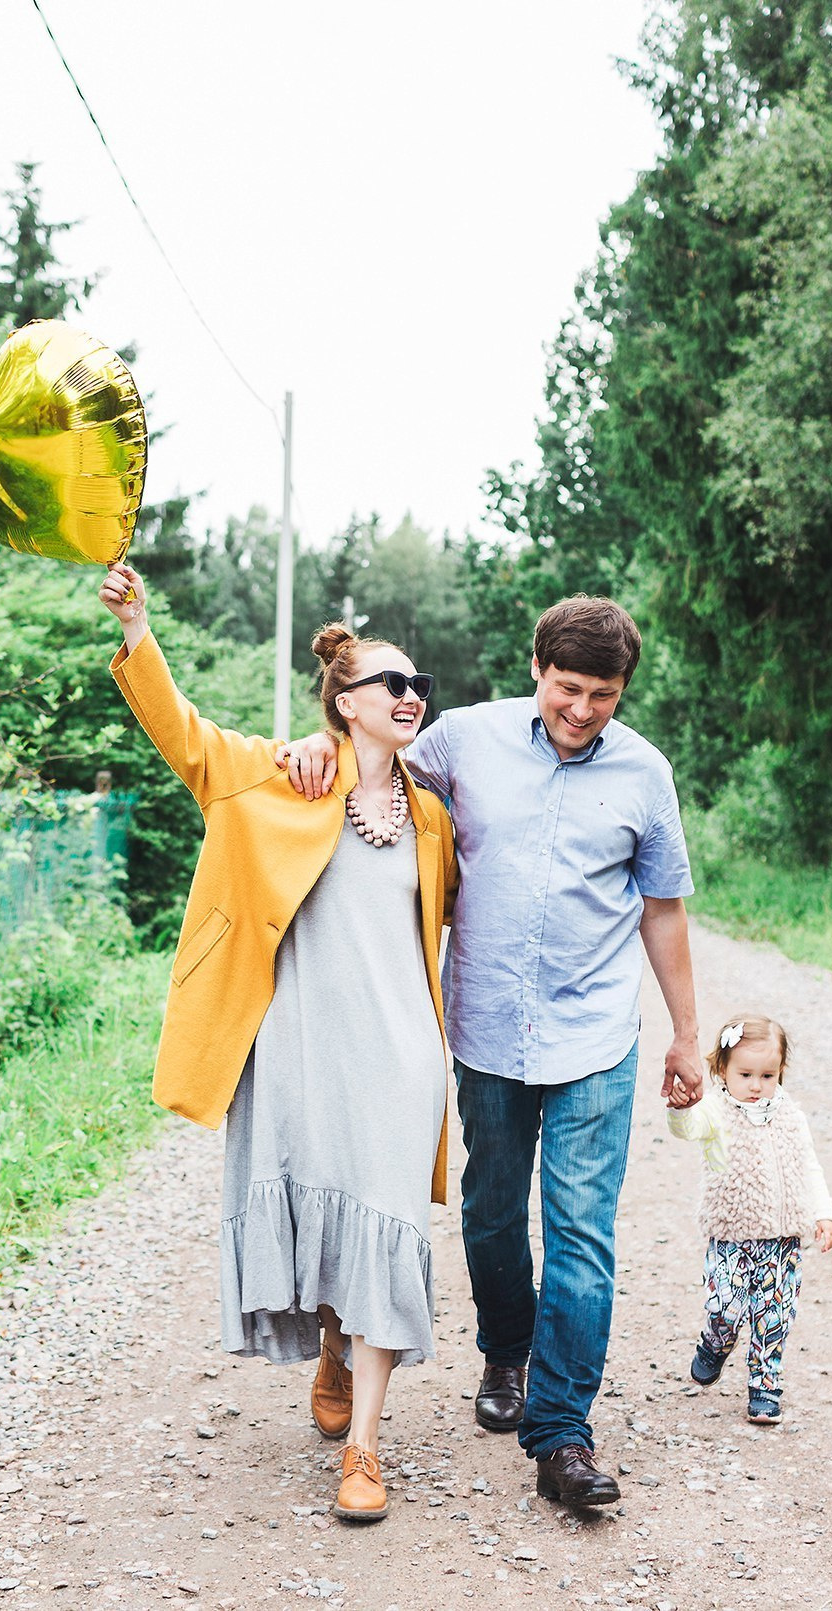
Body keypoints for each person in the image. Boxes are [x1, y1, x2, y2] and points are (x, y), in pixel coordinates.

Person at [279, 596, 702, 1507]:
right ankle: (504, 1351)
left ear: (624, 690)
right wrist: (316, 746)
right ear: (536, 671)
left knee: (582, 1234)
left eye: (604, 694)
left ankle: (561, 1434)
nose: (582, 710)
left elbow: (663, 908)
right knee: (493, 1213)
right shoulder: (466, 741)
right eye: (567, 688)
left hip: (595, 1037)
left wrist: (688, 1034)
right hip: (483, 1034)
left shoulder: (644, 775)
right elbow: (376, 765)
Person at [98, 561, 459, 1525]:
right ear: (346, 702)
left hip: (402, 1058)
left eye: (419, 683)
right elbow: (185, 738)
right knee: (330, 1209)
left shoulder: (432, 817)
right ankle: (335, 1341)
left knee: (387, 1221)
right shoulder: (277, 775)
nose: (412, 694)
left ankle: (369, 1449)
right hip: (301, 1050)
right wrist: (138, 630)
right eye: (392, 683)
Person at [664, 1012, 832, 1424]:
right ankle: (715, 1341)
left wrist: (823, 1213)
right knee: (727, 1306)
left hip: (783, 1241)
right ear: (722, 1071)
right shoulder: (715, 1112)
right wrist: (680, 1107)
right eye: (745, 1074)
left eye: (767, 1075)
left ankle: (765, 1387)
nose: (756, 1086)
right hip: (732, 1236)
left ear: (780, 1073)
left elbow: (808, 1165)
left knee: (774, 1317)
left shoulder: (792, 1117)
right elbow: (686, 1128)